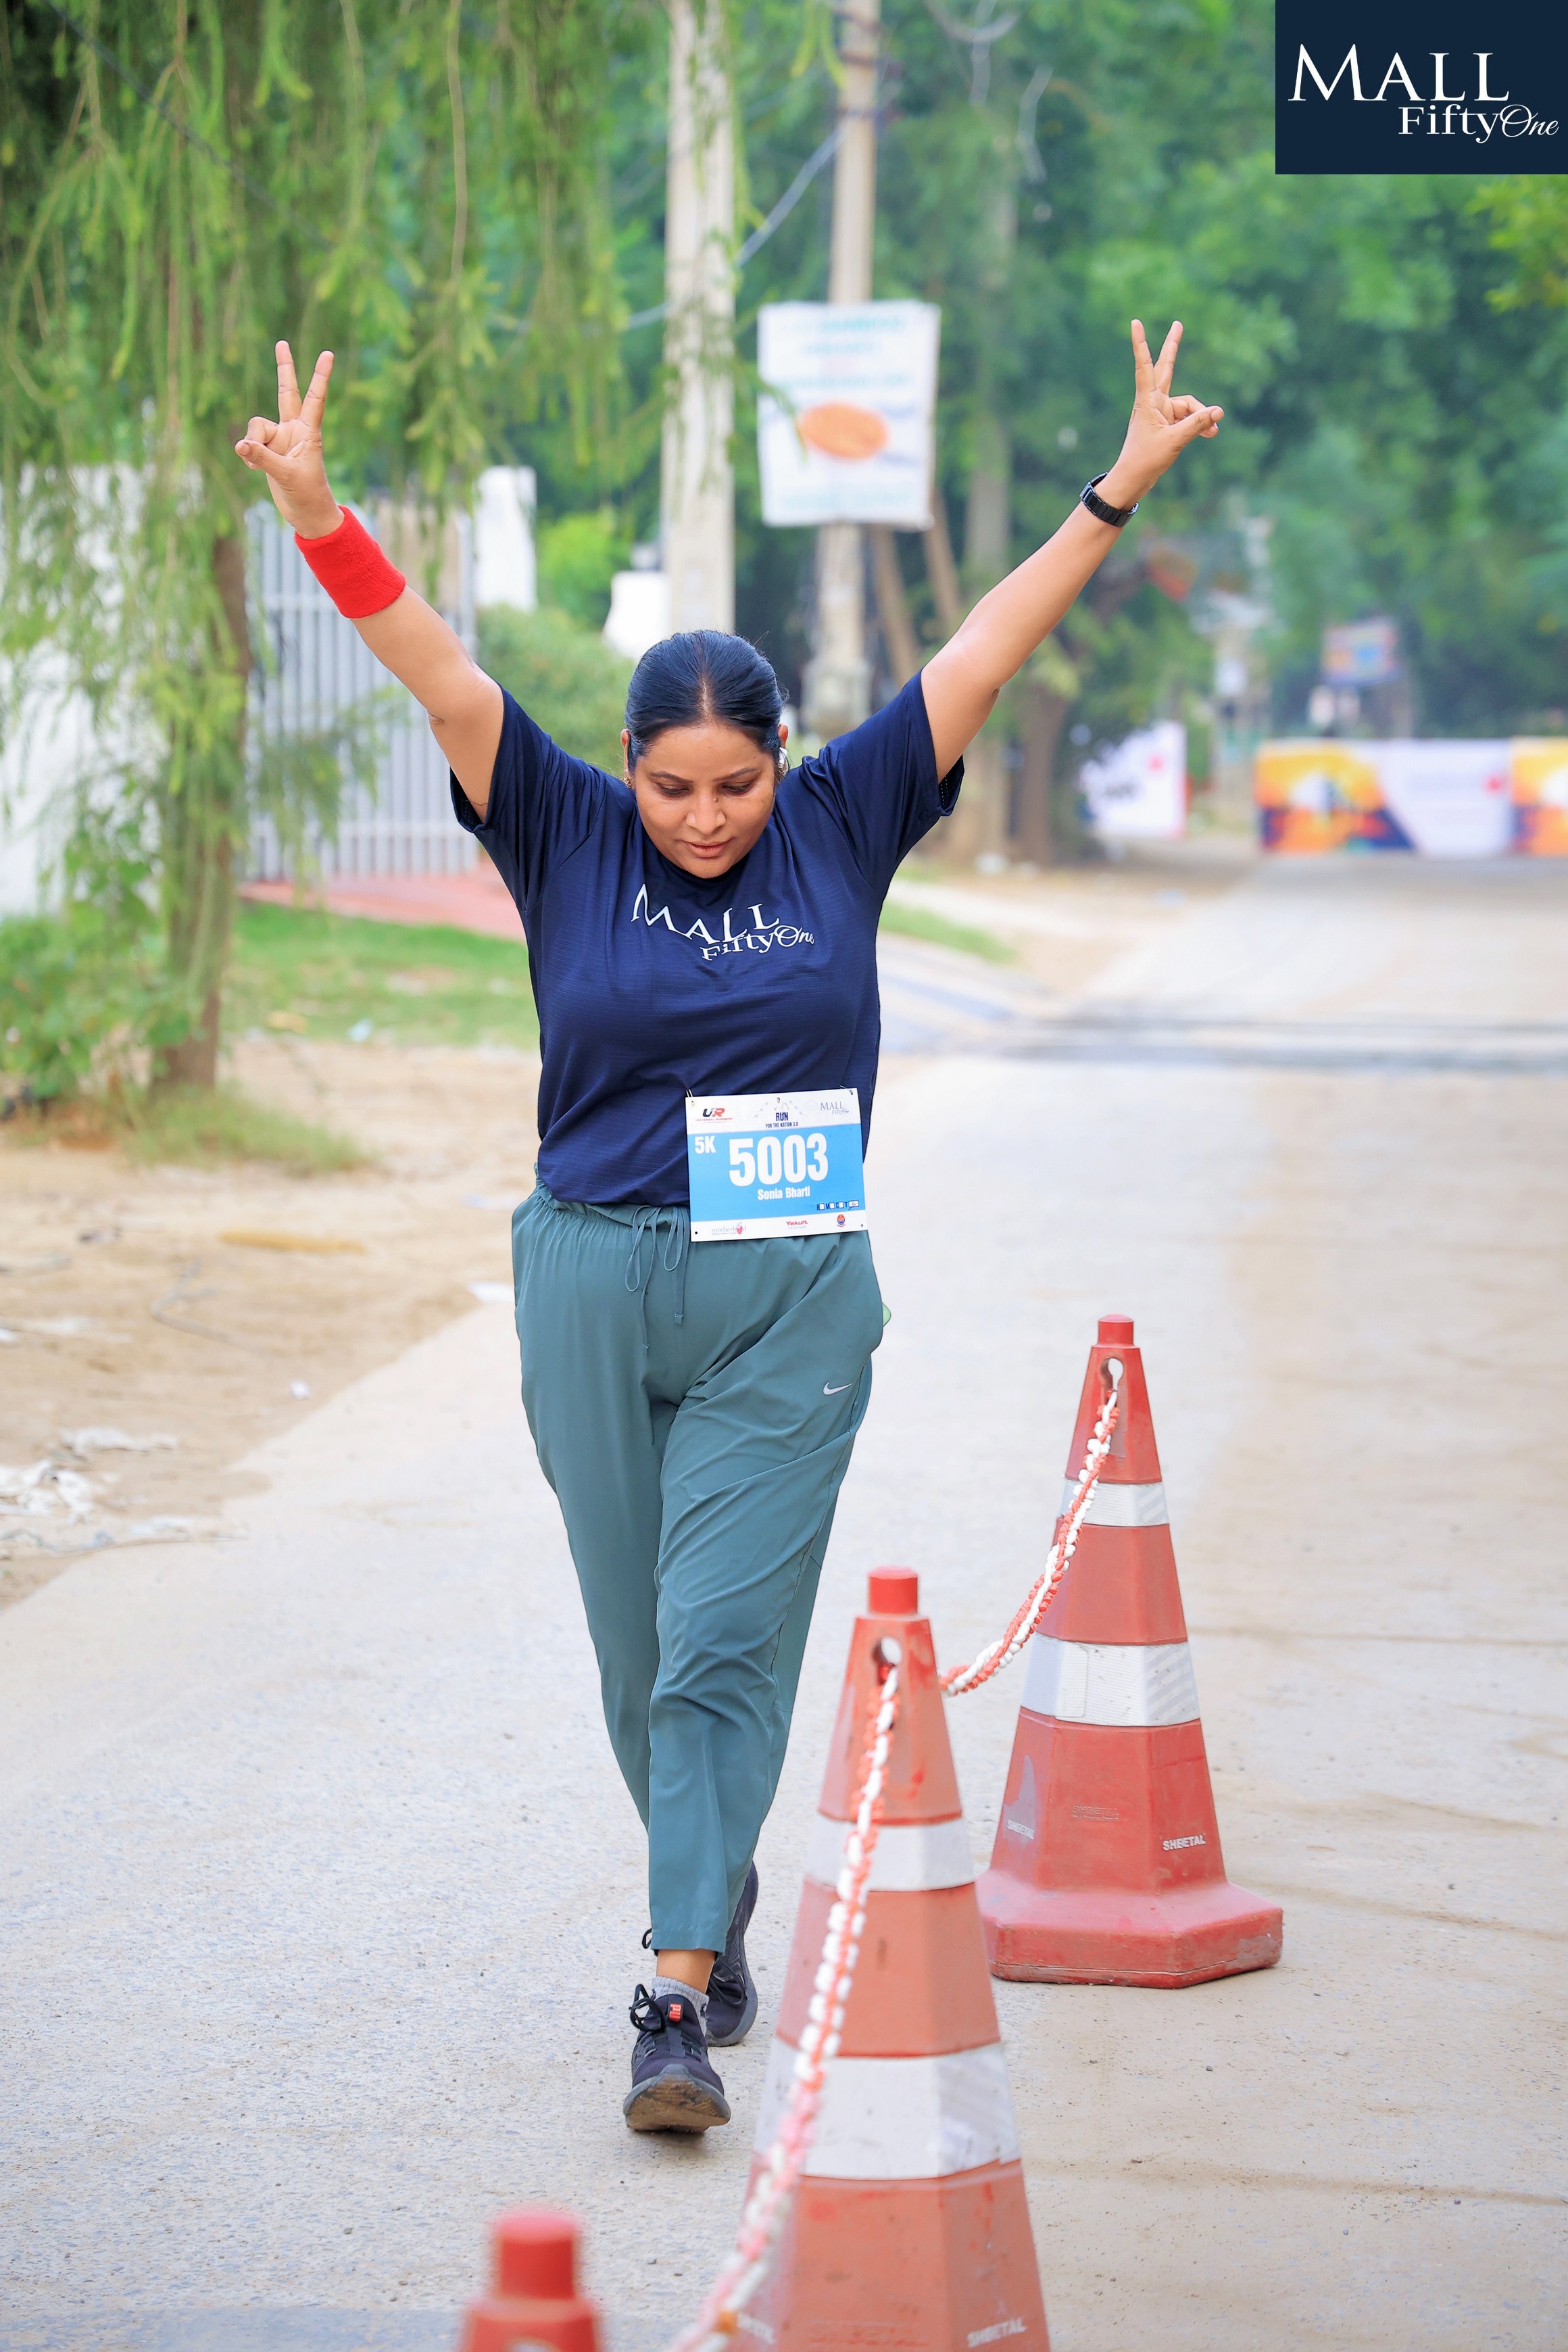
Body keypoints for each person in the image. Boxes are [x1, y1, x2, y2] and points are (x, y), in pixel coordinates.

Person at [235, 319, 1221, 2134]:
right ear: (627, 765)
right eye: (673, 786)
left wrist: (1114, 493)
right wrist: (317, 513)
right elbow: (432, 663)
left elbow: (982, 646)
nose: (704, 818)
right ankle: (720, 1877)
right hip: (591, 1277)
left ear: (785, 762)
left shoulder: (848, 816)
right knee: (637, 1661)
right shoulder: (558, 825)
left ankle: (671, 1994)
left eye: (735, 785)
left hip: (789, 1294)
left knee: (719, 1644)